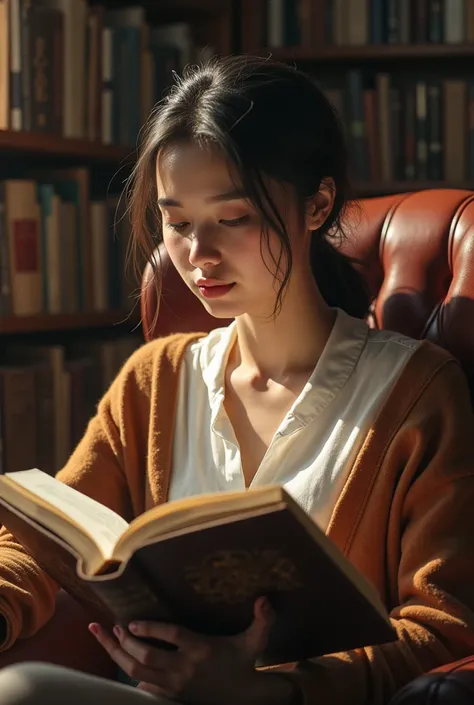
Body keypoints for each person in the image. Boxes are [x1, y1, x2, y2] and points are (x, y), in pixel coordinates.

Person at [0, 54, 474, 705]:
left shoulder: (418, 392)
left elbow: (443, 628)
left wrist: (264, 690)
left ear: (318, 203)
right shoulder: (154, 380)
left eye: (232, 218)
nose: (198, 255)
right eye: (178, 223)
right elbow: (42, 542)